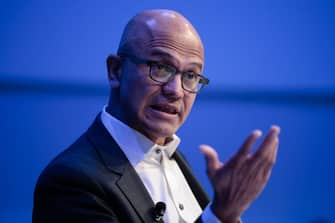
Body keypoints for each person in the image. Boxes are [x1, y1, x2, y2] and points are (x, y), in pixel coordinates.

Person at [33, 9, 280, 223]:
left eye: (191, 76)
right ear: (116, 71)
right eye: (160, 68)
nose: (176, 91)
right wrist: (222, 214)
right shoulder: (71, 181)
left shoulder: (173, 156)